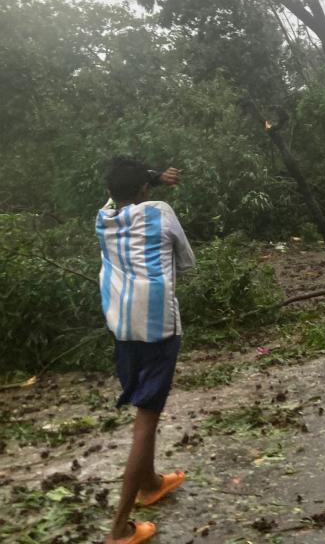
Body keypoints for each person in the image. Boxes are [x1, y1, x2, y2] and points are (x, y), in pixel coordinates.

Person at [96, 157, 195, 544]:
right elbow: (186, 262)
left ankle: (151, 483)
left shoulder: (102, 219)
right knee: (146, 419)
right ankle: (120, 527)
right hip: (158, 328)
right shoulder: (160, 212)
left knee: (143, 407)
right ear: (142, 190)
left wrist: (147, 177)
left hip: (121, 326)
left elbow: (115, 193)